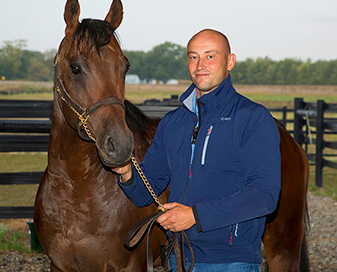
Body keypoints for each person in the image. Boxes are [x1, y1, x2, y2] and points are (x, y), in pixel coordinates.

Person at [114, 29, 281, 272]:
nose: (200, 65)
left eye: (210, 56)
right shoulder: (172, 123)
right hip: (179, 258)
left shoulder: (253, 119)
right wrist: (126, 172)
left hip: (231, 262)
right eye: (193, 57)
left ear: (230, 61)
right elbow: (144, 191)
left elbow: (265, 196)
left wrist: (195, 216)